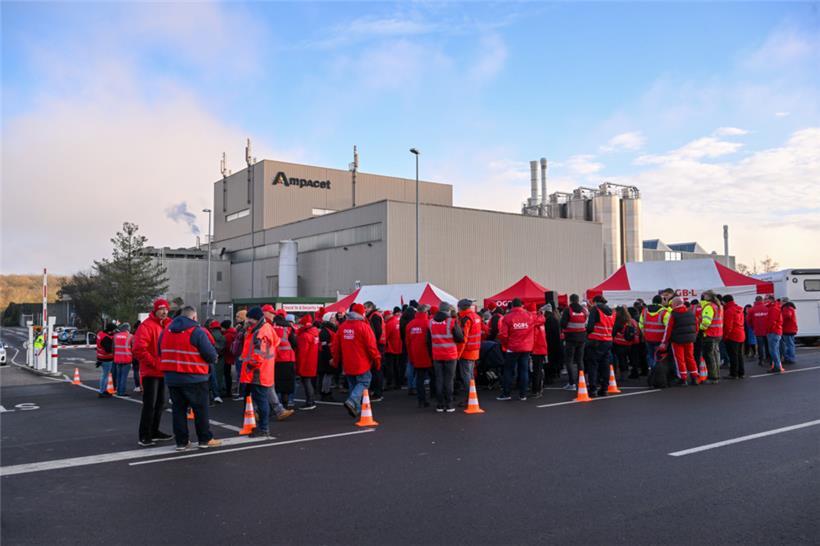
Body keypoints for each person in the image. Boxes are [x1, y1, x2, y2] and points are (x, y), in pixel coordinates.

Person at [158, 306, 221, 451]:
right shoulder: (197, 331)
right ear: (193, 317)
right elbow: (211, 355)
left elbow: (160, 351)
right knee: (200, 410)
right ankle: (204, 439)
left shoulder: (166, 331)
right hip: (195, 377)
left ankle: (181, 442)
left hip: (172, 377)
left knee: (178, 411)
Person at [133, 299, 173, 447]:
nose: (164, 311)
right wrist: (155, 363)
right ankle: (144, 435)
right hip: (150, 372)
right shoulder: (146, 326)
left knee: (160, 403)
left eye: (166, 309)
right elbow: (139, 349)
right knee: (150, 404)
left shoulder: (169, 325)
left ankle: (154, 431)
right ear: (155, 310)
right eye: (161, 309)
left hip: (163, 371)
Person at [331, 303, 381, 417]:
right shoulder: (364, 327)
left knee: (353, 385)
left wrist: (335, 360)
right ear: (362, 313)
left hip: (348, 363)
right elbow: (372, 347)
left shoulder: (342, 327)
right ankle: (352, 401)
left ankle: (356, 408)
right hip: (362, 363)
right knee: (364, 382)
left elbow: (335, 346)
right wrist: (377, 359)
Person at [239, 307, 281, 437]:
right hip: (264, 370)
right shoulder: (266, 328)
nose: (247, 321)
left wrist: (250, 366)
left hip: (257, 372)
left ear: (255, 319)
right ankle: (263, 428)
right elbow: (274, 344)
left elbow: (258, 355)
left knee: (261, 400)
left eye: (249, 318)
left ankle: (263, 428)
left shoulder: (260, 332)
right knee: (261, 399)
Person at [497, 298, 541, 401]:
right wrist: (541, 312)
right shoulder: (530, 316)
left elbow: (503, 335)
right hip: (526, 348)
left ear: (512, 306)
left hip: (512, 348)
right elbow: (542, 319)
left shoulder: (507, 317)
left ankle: (506, 394)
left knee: (508, 371)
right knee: (524, 370)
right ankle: (523, 395)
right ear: (522, 305)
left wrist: (506, 345)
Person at [428, 302, 464, 412]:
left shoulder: (431, 322)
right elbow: (460, 338)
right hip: (450, 354)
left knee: (439, 379)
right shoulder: (451, 321)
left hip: (437, 355)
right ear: (448, 310)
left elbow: (428, 340)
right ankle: (449, 404)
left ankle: (439, 404)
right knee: (449, 380)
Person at [659, 297, 698, 385]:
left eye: (672, 304)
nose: (671, 305)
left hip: (677, 340)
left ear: (675, 304)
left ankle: (683, 378)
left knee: (679, 359)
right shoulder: (690, 313)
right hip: (689, 340)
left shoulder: (674, 314)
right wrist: (693, 336)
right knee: (690, 357)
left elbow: (668, 329)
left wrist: (664, 342)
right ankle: (694, 377)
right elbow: (696, 326)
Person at [268, 308, 297, 409]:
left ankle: (274, 405)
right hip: (288, 359)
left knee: (274, 383)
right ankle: (285, 404)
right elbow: (294, 343)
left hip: (274, 359)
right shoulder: (288, 327)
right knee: (287, 383)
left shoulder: (271, 326)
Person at [585, 295, 615, 397]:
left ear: (595, 302)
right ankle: (604, 389)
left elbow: (590, 327)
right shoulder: (611, 311)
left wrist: (587, 332)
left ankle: (593, 389)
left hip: (596, 340)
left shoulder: (595, 309)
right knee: (605, 365)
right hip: (607, 341)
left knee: (593, 365)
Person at [406, 304, 433, 407]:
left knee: (419, 379)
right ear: (426, 312)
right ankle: (435, 397)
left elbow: (407, 343)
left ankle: (421, 400)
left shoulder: (410, 324)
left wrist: (410, 356)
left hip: (416, 354)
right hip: (429, 355)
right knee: (434, 377)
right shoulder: (429, 323)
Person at [456, 299, 482, 405]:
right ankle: (472, 396)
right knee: (470, 375)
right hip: (474, 349)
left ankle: (469, 398)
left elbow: (463, 339)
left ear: (460, 307)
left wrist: (458, 354)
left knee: (466, 376)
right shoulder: (476, 317)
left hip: (466, 351)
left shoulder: (465, 319)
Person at [560, 294, 588, 391]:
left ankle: (571, 383)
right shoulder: (584, 310)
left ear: (570, 300)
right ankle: (581, 381)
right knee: (580, 360)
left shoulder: (567, 310)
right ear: (578, 300)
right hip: (582, 338)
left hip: (570, 339)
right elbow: (585, 322)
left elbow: (563, 324)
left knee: (569, 361)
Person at [295, 314, 319, 410]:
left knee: (306, 382)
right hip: (312, 361)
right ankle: (311, 401)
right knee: (308, 382)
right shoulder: (315, 333)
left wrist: (299, 366)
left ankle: (310, 402)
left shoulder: (304, 336)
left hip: (306, 362)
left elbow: (302, 353)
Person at [699, 291, 723, 384]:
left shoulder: (709, 307)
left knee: (709, 357)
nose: (703, 296)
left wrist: (700, 328)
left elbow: (706, 321)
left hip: (710, 334)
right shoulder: (718, 306)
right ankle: (717, 375)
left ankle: (713, 377)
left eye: (704, 295)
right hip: (718, 333)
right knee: (715, 355)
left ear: (708, 296)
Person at [364, 301, 386, 401]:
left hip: (378, 345)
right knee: (376, 369)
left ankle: (378, 393)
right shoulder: (375, 315)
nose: (364, 310)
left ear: (370, 307)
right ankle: (375, 390)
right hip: (379, 344)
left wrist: (372, 342)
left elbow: (377, 331)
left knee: (377, 369)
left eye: (366, 308)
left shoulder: (374, 316)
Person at [722, 295, 746, 379]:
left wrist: (725, 336)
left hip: (732, 335)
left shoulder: (729, 311)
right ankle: (741, 372)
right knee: (739, 355)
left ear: (725, 302)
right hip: (741, 333)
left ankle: (734, 373)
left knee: (733, 355)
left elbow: (728, 326)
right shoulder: (739, 309)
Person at [640, 295, 666, 371]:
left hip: (648, 338)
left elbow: (641, 324)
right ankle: (657, 372)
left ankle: (652, 370)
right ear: (661, 301)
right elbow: (669, 326)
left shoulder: (644, 311)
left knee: (650, 355)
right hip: (660, 339)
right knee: (659, 356)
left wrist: (644, 333)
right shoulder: (664, 312)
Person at [317, 313, 338, 402]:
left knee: (329, 375)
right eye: (332, 318)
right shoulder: (325, 331)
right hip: (327, 357)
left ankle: (326, 392)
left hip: (330, 355)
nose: (334, 319)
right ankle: (326, 393)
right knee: (327, 375)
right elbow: (324, 346)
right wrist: (329, 358)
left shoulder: (330, 329)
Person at [612, 306, 634, 381]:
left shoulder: (618, 322)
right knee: (624, 359)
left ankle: (621, 374)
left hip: (619, 343)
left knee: (620, 359)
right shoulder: (628, 320)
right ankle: (625, 373)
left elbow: (613, 333)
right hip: (628, 343)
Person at [384, 308, 404, 390]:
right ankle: (398, 383)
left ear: (387, 316)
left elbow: (385, 337)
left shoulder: (389, 324)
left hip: (390, 348)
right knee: (397, 367)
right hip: (398, 347)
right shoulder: (398, 321)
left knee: (390, 367)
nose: (384, 318)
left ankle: (389, 383)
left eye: (385, 317)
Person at [112, 323, 134, 397]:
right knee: (124, 376)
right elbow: (133, 348)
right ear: (128, 329)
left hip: (117, 359)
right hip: (127, 359)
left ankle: (118, 391)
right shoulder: (130, 336)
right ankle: (122, 392)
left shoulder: (115, 336)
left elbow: (113, 348)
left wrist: (114, 357)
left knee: (119, 376)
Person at [530, 304, 548, 397]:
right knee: (539, 369)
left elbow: (533, 337)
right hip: (542, 347)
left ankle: (535, 389)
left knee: (535, 370)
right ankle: (539, 389)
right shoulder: (541, 319)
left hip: (534, 348)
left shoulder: (531, 321)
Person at [95, 322, 116, 398]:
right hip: (106, 358)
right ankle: (102, 391)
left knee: (104, 375)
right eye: (114, 330)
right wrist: (114, 348)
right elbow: (108, 349)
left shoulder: (100, 334)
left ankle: (103, 390)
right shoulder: (107, 338)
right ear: (110, 330)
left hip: (100, 357)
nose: (114, 332)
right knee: (105, 376)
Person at [544, 304, 563, 384]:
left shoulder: (548, 320)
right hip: (557, 342)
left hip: (550, 343)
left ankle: (550, 378)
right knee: (555, 360)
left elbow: (547, 333)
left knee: (550, 361)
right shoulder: (556, 319)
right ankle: (556, 374)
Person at [765, 295, 784, 373]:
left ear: (771, 300)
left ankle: (777, 366)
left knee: (773, 350)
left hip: (773, 332)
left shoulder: (773, 308)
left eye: (766, 299)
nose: (765, 301)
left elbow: (771, 321)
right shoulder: (773, 307)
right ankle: (777, 365)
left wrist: (768, 330)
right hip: (775, 331)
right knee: (775, 350)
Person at [750, 296, 771, 366]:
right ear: (762, 300)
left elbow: (749, 320)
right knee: (767, 345)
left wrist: (753, 327)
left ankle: (761, 360)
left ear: (755, 300)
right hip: (767, 330)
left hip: (758, 330)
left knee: (760, 346)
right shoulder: (767, 308)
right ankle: (768, 358)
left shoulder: (752, 309)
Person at [221, 320, 236, 397]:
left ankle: (228, 391)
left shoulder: (227, 335)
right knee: (228, 374)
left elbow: (226, 347)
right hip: (231, 357)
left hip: (227, 357)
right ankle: (229, 391)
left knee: (227, 374)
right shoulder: (233, 333)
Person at [781, 298, 798, 364]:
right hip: (791, 329)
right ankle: (790, 357)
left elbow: (787, 315)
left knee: (789, 345)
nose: (781, 303)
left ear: (784, 302)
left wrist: (781, 319)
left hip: (788, 329)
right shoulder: (791, 307)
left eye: (782, 302)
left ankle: (790, 358)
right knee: (790, 344)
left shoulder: (787, 308)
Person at [131, 320, 143, 393]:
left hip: (134, 355)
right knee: (141, 371)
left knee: (136, 370)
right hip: (140, 354)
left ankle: (137, 386)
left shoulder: (133, 334)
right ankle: (141, 385)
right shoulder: (141, 333)